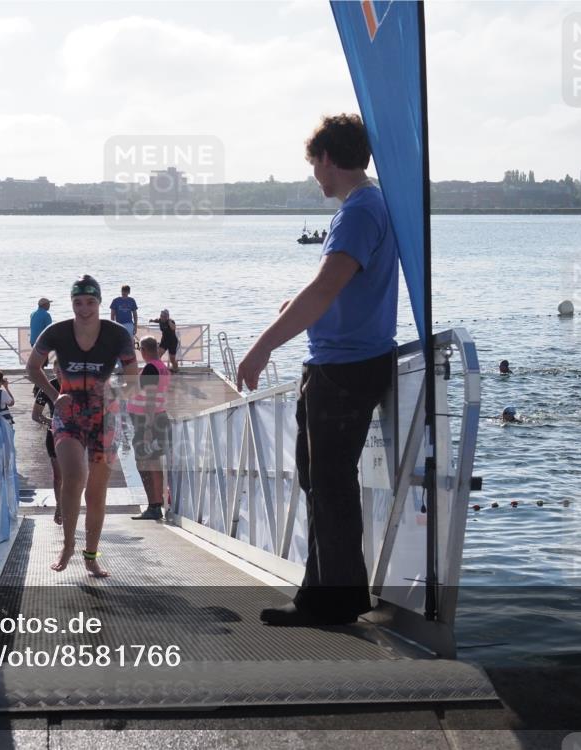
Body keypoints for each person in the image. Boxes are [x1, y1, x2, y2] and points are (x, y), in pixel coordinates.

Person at [236, 113, 397, 627]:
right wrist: (298, 307)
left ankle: (334, 601)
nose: (314, 176)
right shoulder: (371, 206)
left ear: (328, 158)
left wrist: (262, 345)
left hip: (344, 368)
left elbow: (326, 288)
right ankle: (325, 595)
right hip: (351, 361)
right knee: (322, 481)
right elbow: (338, 288)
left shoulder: (358, 211)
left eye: (314, 165)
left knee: (329, 484)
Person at [27, 274, 138, 578]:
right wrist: (53, 395)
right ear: (71, 303)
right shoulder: (56, 332)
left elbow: (134, 380)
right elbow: (32, 367)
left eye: (90, 302)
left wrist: (116, 394)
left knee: (97, 492)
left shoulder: (118, 335)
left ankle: (91, 555)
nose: (84, 308)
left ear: (100, 303)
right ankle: (67, 545)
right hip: (69, 412)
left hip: (105, 416)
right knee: (74, 477)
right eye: (78, 302)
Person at [128, 336, 172, 521]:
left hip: (148, 421)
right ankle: (157, 503)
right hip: (159, 417)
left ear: (143, 350)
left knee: (144, 464)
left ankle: (153, 506)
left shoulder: (151, 368)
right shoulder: (162, 367)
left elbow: (151, 398)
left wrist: (146, 428)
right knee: (152, 462)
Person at [32, 360, 64, 524]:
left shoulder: (76, 386)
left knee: (73, 476)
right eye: (56, 371)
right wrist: (52, 422)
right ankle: (60, 507)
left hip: (75, 436)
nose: (59, 374)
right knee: (59, 476)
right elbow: (36, 415)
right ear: (53, 370)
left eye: (62, 371)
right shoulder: (48, 387)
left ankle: (70, 506)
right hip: (54, 435)